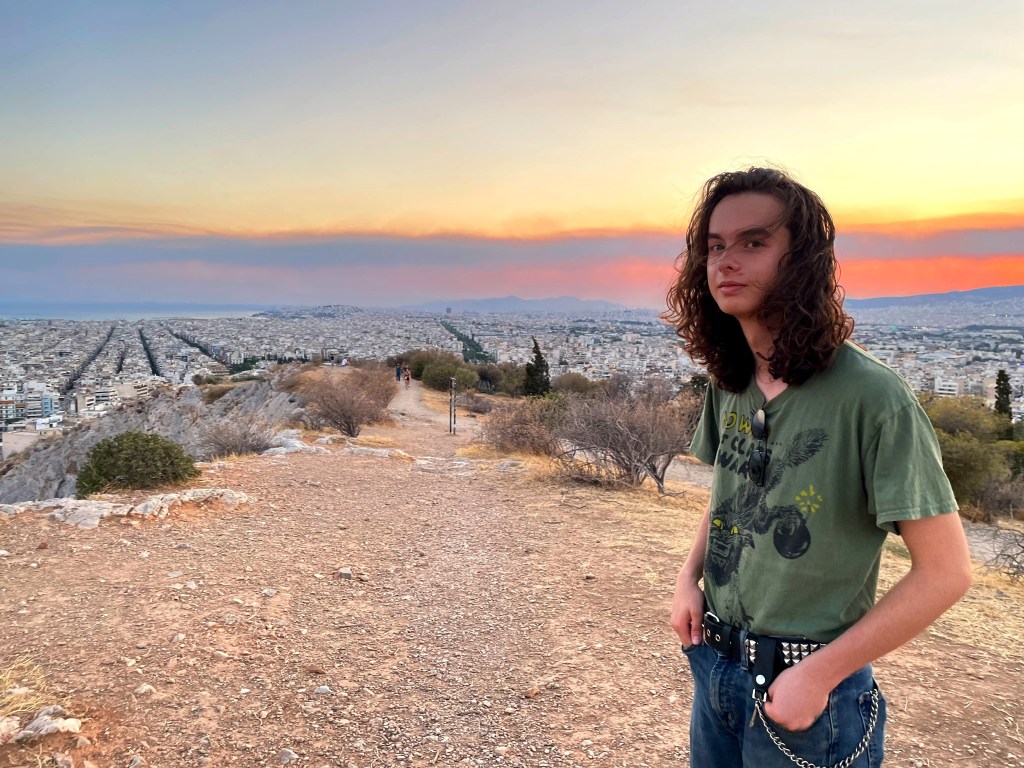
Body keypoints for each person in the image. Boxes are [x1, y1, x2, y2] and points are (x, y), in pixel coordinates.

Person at [664, 167, 971, 767]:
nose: (727, 261)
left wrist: (821, 675)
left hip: (810, 690)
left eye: (754, 242)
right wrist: (687, 577)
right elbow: (732, 490)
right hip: (717, 667)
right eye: (715, 247)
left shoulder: (873, 397)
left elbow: (947, 573)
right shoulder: (730, 381)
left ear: (801, 260)